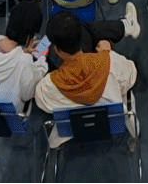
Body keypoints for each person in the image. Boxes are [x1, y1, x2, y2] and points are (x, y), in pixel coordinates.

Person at [34, 12, 139, 146]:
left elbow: (43, 105)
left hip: (70, 130)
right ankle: (125, 25)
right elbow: (131, 74)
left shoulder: (47, 86)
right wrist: (107, 52)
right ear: (81, 40)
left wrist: (39, 59)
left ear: (57, 50)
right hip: (110, 124)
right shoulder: (111, 62)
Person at [0, 1, 48, 115]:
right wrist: (41, 62)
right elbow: (28, 95)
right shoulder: (24, 60)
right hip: (10, 117)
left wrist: (22, 53)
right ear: (30, 36)